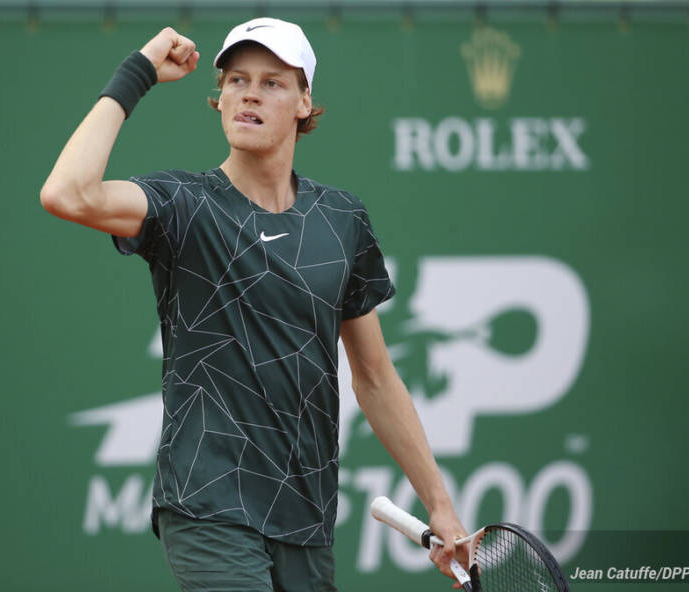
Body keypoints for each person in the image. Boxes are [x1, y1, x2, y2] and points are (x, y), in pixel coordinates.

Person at [41, 17, 469, 592]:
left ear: (304, 102)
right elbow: (66, 193)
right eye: (237, 80)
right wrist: (137, 71)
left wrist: (439, 503)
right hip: (207, 503)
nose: (250, 94)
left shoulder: (341, 219)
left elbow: (374, 376)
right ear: (219, 98)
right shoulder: (183, 204)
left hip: (306, 515)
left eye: (272, 82)